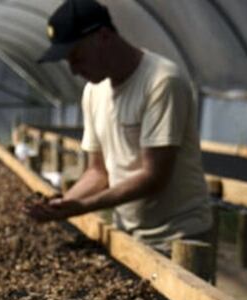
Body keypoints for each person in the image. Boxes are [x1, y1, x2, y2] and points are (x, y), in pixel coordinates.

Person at [24, 0, 212, 251]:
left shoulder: (161, 81)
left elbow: (154, 177)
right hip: (129, 233)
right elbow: (98, 171)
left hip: (177, 237)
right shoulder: (93, 91)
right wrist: (62, 205)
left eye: (77, 57)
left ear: (103, 36)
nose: (73, 70)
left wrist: (83, 207)